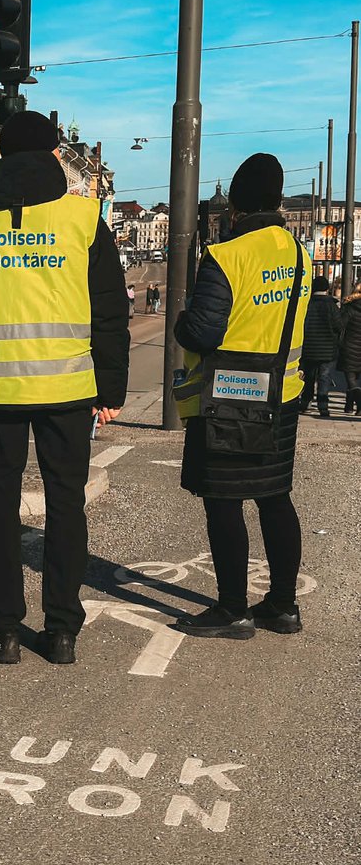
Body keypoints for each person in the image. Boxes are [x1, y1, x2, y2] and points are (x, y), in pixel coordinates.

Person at [0, 110, 129, 665]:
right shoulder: (85, 218)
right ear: (52, 154)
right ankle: (62, 631)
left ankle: (2, 631)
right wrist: (110, 388)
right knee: (67, 506)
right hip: (68, 389)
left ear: (1, 155)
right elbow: (110, 312)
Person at [172, 153, 310, 638]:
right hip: (282, 397)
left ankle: (232, 609)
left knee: (224, 502)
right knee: (276, 500)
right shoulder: (297, 254)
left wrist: (181, 322)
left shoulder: (227, 256)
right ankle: (283, 605)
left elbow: (202, 333)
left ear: (236, 205)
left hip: (228, 400)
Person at [298, 276, 342, 418]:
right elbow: (339, 325)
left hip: (309, 348)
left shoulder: (306, 304)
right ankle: (323, 406)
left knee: (309, 378)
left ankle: (305, 403)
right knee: (324, 378)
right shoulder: (331, 306)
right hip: (328, 350)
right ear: (327, 289)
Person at [338, 281, 361, 414]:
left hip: (349, 347)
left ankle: (357, 403)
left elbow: (341, 326)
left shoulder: (350, 308)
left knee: (351, 379)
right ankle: (349, 405)